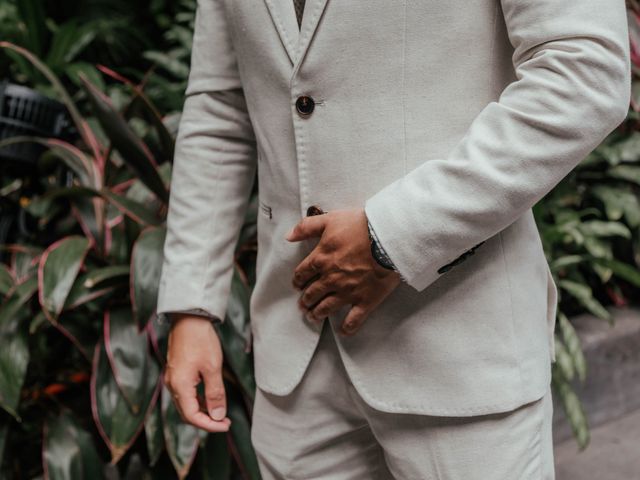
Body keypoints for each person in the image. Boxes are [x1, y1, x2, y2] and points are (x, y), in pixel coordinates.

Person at [156, 0, 631, 478]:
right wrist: (191, 305)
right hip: (296, 362)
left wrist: (392, 236)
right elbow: (219, 111)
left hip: (459, 347)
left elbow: (584, 70)